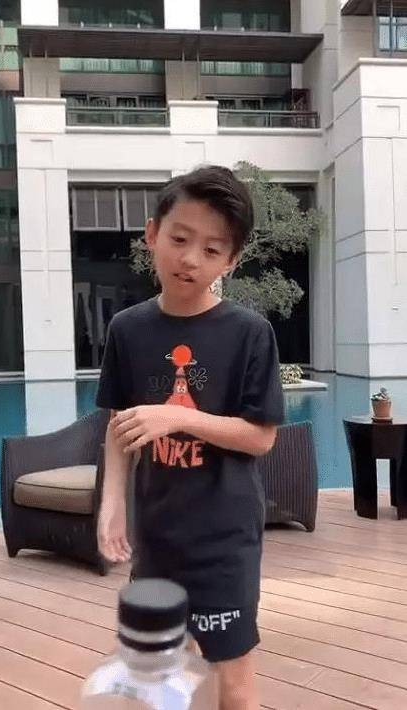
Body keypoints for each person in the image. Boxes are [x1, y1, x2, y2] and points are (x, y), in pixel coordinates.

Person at [96, 165, 285, 710]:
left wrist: (177, 418)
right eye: (180, 239)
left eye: (211, 249)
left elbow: (261, 438)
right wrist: (112, 503)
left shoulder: (249, 333)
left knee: (232, 684)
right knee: (158, 677)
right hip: (156, 537)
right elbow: (119, 424)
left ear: (232, 260)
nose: (191, 259)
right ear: (152, 234)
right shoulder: (127, 329)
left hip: (223, 541)